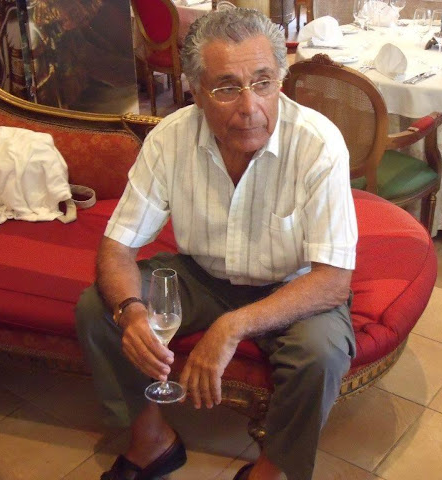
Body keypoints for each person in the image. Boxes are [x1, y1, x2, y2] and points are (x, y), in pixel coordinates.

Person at [76, 7, 358, 480]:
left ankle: (271, 469)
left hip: (292, 286)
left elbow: (333, 280)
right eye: (227, 88)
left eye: (263, 83)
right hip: (202, 275)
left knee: (321, 354)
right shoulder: (170, 139)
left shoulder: (318, 144)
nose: (250, 106)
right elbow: (117, 246)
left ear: (281, 81)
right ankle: (152, 439)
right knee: (97, 308)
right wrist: (131, 311)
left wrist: (231, 327)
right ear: (195, 90)